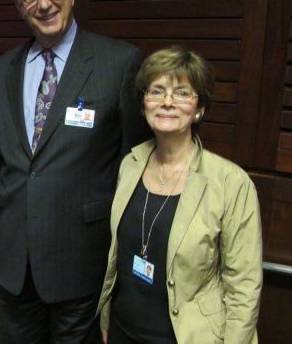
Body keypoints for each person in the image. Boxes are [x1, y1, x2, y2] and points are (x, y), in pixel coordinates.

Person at [0, 0, 150, 344]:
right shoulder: (1, 70)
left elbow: (134, 162)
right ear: (20, 7)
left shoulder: (119, 62)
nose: (44, 3)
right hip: (12, 257)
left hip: (82, 254)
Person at [97, 46, 262, 344]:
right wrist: (107, 318)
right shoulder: (130, 164)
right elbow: (117, 257)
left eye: (182, 93)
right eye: (157, 91)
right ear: (145, 102)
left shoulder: (231, 182)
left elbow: (244, 287)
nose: (167, 102)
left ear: (200, 108)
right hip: (123, 329)